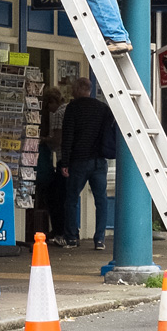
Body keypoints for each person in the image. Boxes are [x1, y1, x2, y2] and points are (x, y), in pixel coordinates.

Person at [57, 77, 114, 250]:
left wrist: (64, 162)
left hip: (79, 161)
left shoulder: (72, 108)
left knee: (72, 199)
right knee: (101, 200)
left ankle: (72, 237)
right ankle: (100, 239)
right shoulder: (103, 109)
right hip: (99, 161)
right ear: (89, 89)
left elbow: (68, 137)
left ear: (77, 89)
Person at [36, 84, 66, 242]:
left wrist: (44, 140)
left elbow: (56, 140)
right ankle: (66, 232)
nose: (49, 110)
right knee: (66, 198)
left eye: (49, 105)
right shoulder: (68, 109)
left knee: (57, 199)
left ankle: (59, 231)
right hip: (68, 160)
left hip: (63, 160)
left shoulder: (59, 114)